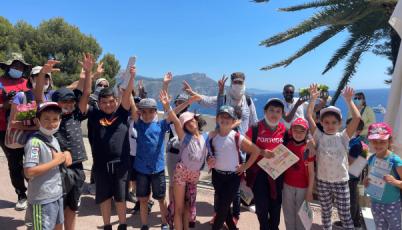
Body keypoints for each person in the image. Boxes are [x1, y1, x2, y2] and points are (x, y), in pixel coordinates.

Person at [184, 73, 258, 223]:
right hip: (220, 144)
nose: (237, 84)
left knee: (236, 187)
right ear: (232, 83)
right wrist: (193, 94)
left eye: (240, 81)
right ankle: (218, 213)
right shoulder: (223, 98)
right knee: (219, 184)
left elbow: (254, 123)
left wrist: (251, 145)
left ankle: (235, 216)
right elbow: (205, 100)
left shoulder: (248, 101)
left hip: (239, 147)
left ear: (244, 82)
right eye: (235, 81)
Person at [42, 53, 94, 230]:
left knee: (72, 206)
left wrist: (88, 73)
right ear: (56, 103)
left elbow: (86, 93)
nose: (69, 104)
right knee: (59, 207)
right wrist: (43, 74)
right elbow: (39, 97)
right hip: (58, 166)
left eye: (72, 101)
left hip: (78, 166)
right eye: (65, 101)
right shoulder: (52, 117)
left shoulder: (76, 115)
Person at [306, 84, 361, 230]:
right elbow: (308, 116)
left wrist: (349, 101)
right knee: (326, 213)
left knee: (345, 215)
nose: (330, 125)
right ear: (321, 123)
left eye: (334, 122)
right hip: (323, 181)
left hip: (341, 182)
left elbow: (356, 118)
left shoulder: (343, 137)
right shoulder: (319, 136)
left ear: (340, 123)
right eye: (326, 122)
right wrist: (313, 100)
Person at [87, 64, 135, 230]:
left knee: (121, 198)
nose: (108, 105)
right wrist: (90, 75)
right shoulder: (94, 114)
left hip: (121, 165)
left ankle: (122, 225)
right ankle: (107, 225)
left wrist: (131, 77)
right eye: (104, 102)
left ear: (116, 101)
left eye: (111, 102)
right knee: (104, 198)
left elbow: (127, 94)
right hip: (101, 166)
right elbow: (86, 96)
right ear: (99, 103)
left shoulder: (122, 113)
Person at [207, 105, 269, 230]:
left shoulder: (237, 137)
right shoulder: (212, 136)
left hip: (233, 177)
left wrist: (245, 166)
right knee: (223, 206)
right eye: (222, 116)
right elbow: (208, 153)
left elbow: (256, 151)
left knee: (222, 206)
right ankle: (232, 227)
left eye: (228, 117)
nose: (225, 119)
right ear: (217, 119)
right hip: (217, 176)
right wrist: (208, 159)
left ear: (233, 121)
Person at [133, 73, 177, 230]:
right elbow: (130, 104)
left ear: (155, 112)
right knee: (143, 199)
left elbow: (172, 115)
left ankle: (164, 223)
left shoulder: (161, 125)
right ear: (139, 113)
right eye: (143, 112)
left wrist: (167, 101)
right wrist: (130, 79)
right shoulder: (138, 124)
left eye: (150, 111)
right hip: (141, 170)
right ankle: (144, 224)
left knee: (161, 199)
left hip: (157, 170)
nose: (147, 114)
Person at [160, 90, 205, 230]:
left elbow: (223, 129)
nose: (191, 123)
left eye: (192, 119)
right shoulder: (184, 138)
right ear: (184, 126)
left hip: (194, 174)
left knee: (188, 205)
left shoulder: (205, 137)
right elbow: (174, 118)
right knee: (179, 207)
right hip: (181, 173)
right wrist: (167, 106)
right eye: (187, 122)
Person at [23, 102, 72, 230]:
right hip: (42, 199)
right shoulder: (35, 143)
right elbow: (29, 172)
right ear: (37, 121)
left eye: (55, 119)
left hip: (56, 194)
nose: (51, 123)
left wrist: (65, 154)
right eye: (46, 118)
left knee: (58, 226)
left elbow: (58, 157)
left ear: (60, 120)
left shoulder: (52, 138)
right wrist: (56, 161)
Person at [245, 98, 287, 230]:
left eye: (278, 111)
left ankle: (274, 227)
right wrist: (262, 152)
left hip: (277, 173)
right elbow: (244, 146)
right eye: (271, 110)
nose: (274, 114)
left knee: (276, 204)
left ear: (282, 114)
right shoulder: (255, 128)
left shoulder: (284, 130)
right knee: (262, 206)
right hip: (259, 174)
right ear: (265, 111)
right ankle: (264, 227)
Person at [0, 52, 31, 210]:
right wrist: (4, 105)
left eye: (20, 66)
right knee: (15, 163)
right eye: (14, 65)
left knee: (33, 160)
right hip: (4, 130)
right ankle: (21, 194)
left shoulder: (27, 82)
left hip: (27, 128)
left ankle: (34, 190)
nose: (17, 68)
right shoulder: (0, 82)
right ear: (7, 66)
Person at [364, 122, 402, 229]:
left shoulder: (395, 160)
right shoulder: (372, 158)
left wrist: (394, 181)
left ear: (389, 141)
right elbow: (371, 177)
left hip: (392, 204)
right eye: (375, 141)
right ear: (370, 141)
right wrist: (366, 181)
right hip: (375, 203)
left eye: (382, 141)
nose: (378, 144)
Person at [282, 118, 315, 230]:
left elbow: (311, 172)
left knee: (302, 216)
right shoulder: (286, 146)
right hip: (287, 186)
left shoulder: (308, 149)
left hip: (303, 188)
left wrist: (310, 191)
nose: (299, 134)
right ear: (291, 131)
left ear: (307, 133)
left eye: (302, 131)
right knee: (288, 214)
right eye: (296, 130)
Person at [334, 118, 366, 229]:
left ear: (359, 131)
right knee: (354, 198)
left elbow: (351, 162)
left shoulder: (356, 144)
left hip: (351, 176)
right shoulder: (353, 141)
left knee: (350, 200)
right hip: (353, 174)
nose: (348, 129)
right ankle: (356, 222)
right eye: (348, 126)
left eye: (352, 127)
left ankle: (349, 223)